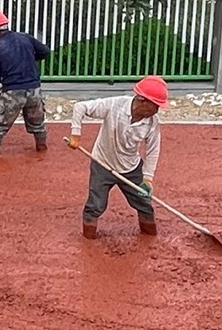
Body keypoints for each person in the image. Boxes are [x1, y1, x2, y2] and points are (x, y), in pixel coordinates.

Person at [68, 77, 167, 239]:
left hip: (131, 168)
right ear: (142, 100)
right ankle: (88, 240)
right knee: (95, 205)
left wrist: (148, 179)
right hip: (102, 164)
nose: (157, 110)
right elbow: (80, 107)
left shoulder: (152, 122)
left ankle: (149, 234)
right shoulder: (114, 105)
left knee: (144, 204)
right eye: (155, 105)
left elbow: (153, 150)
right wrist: (76, 133)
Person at [0, 10, 51, 153]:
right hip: (34, 90)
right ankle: (41, 146)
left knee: (0, 123)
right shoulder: (25, 38)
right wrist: (29, 59)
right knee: (37, 121)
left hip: (13, 92)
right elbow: (45, 51)